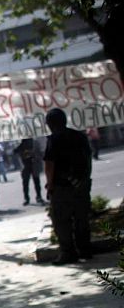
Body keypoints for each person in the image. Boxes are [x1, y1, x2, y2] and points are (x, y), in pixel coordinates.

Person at [44, 108, 93, 265]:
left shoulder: (54, 140)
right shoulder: (80, 136)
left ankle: (68, 253)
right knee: (81, 218)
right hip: (82, 184)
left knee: (61, 221)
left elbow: (49, 165)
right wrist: (84, 180)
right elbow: (88, 159)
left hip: (62, 187)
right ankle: (85, 249)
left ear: (50, 124)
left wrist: (50, 185)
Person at [14, 138, 46, 206]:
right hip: (25, 166)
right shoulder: (21, 143)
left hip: (34, 164)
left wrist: (33, 154)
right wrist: (23, 151)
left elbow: (40, 153)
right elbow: (15, 151)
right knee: (25, 183)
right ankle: (26, 198)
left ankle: (39, 196)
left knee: (37, 182)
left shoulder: (35, 142)